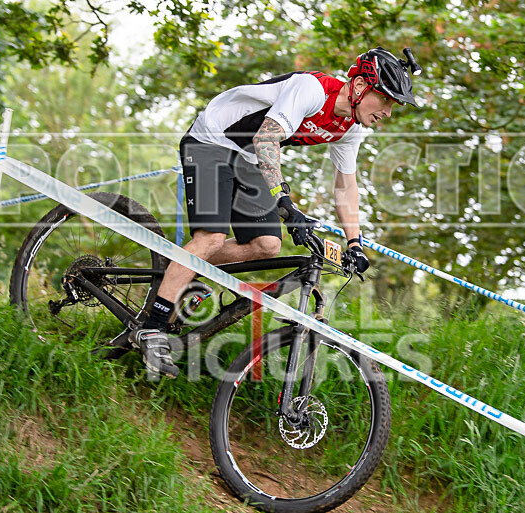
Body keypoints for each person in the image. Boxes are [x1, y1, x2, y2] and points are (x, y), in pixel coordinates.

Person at [132, 47, 420, 381]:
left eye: (393, 105)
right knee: (211, 238)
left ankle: (181, 267)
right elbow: (267, 138)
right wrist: (285, 203)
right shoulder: (312, 89)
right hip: (212, 139)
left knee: (267, 245)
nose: (387, 112)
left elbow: (346, 187)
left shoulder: (350, 128)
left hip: (249, 159)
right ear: (359, 87)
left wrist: (355, 243)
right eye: (385, 100)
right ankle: (152, 329)